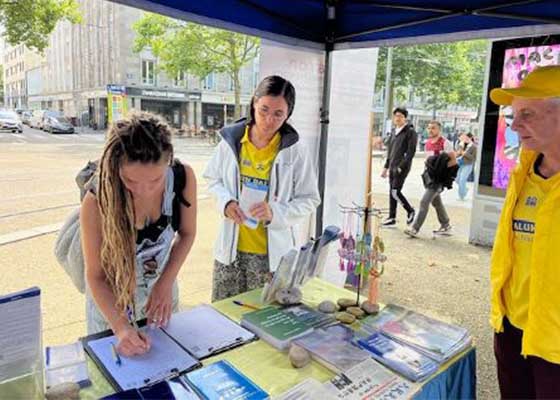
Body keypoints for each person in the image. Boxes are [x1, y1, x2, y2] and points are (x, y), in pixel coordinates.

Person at [81, 112, 197, 356]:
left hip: (162, 301)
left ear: (169, 162)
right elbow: (95, 276)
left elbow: (187, 234)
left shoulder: (182, 178)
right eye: (130, 181)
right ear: (116, 168)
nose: (143, 191)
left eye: (155, 180)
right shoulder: (97, 201)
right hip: (113, 311)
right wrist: (121, 329)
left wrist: (165, 283)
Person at [204, 75, 320, 301]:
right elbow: (212, 179)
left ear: (288, 115)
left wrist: (275, 212)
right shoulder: (231, 142)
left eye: (278, 114)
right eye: (264, 110)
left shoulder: (295, 150)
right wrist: (225, 203)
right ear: (254, 104)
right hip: (230, 251)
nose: (268, 120)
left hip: (270, 258)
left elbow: (309, 198)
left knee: (262, 322)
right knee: (224, 317)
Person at [489, 65, 560, 399]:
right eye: (513, 115)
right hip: (512, 328)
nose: (515, 126)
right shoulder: (523, 173)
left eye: (527, 114)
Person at [404, 120, 456, 237]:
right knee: (437, 203)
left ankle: (414, 228)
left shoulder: (445, 143)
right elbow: (428, 161)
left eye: (433, 128)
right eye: (429, 128)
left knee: (424, 202)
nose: (430, 130)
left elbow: (453, 161)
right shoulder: (427, 143)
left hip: (438, 180)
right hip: (429, 177)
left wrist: (441, 171)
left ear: (439, 129)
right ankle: (446, 225)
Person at [381, 107, 417, 227]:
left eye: (400, 116)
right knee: (392, 191)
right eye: (396, 116)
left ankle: (410, 210)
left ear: (405, 118)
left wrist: (401, 167)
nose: (397, 118)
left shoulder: (410, 132)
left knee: (395, 191)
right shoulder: (393, 131)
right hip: (392, 166)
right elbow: (390, 151)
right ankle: (392, 217)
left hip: (402, 167)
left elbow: (411, 152)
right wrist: (386, 168)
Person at [456, 132, 477, 200]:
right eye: (465, 138)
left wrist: (465, 153)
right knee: (457, 180)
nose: (466, 139)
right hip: (460, 164)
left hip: (468, 165)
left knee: (462, 180)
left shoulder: (474, 147)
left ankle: (462, 196)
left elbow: (473, 158)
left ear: (471, 138)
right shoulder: (462, 144)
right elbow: (457, 154)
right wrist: (459, 151)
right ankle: (465, 189)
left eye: (467, 138)